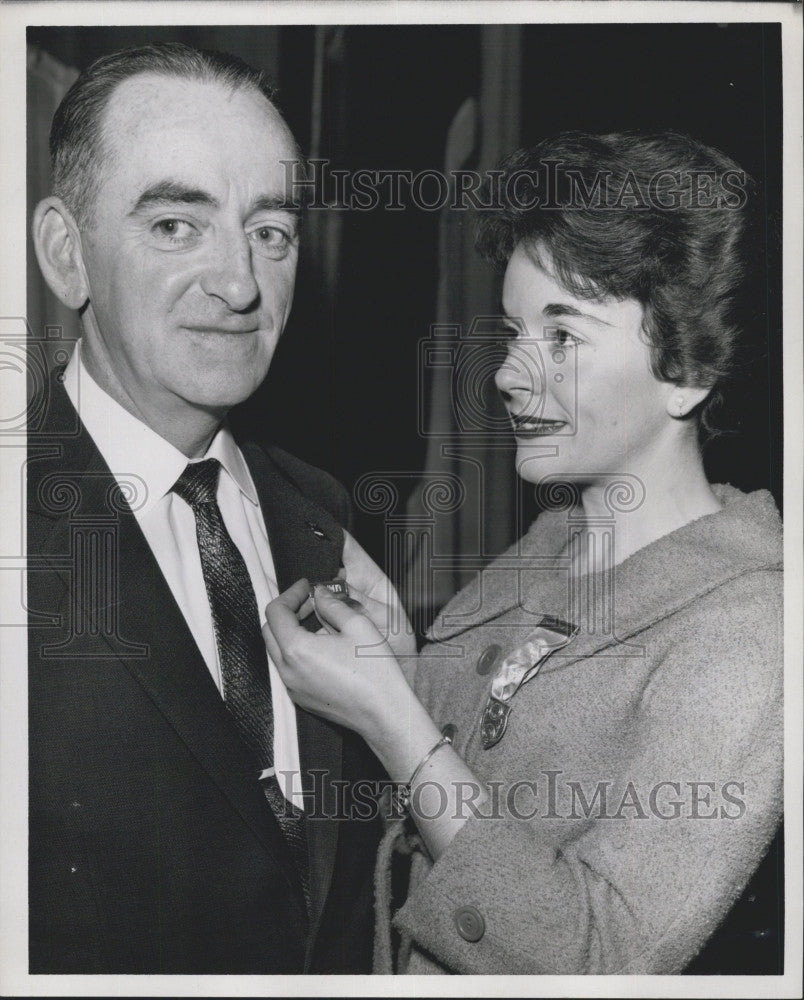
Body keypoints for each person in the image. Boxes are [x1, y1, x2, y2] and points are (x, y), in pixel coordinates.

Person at [263, 131, 784, 974]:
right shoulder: (548, 547)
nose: (507, 373)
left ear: (686, 370)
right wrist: (397, 662)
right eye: (514, 330)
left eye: (563, 336)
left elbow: (597, 958)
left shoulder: (752, 629)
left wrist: (394, 723)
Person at [27, 41, 407, 974]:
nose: (241, 284)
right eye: (175, 226)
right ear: (66, 255)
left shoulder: (320, 519)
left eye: (270, 232)